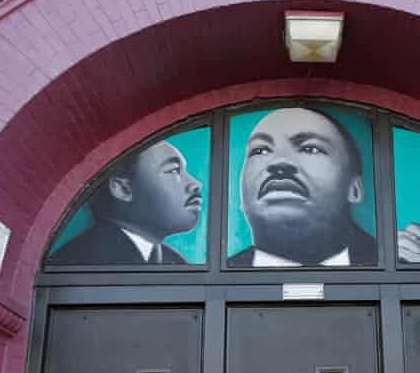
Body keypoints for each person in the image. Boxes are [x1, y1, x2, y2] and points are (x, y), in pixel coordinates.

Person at [228, 107, 377, 267]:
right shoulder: (202, 279)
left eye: (310, 149)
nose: (280, 162)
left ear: (354, 189)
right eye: (261, 150)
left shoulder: (398, 264)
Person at [49, 140, 203, 265]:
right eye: (174, 170)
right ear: (123, 189)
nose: (196, 184)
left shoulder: (175, 263)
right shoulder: (79, 261)